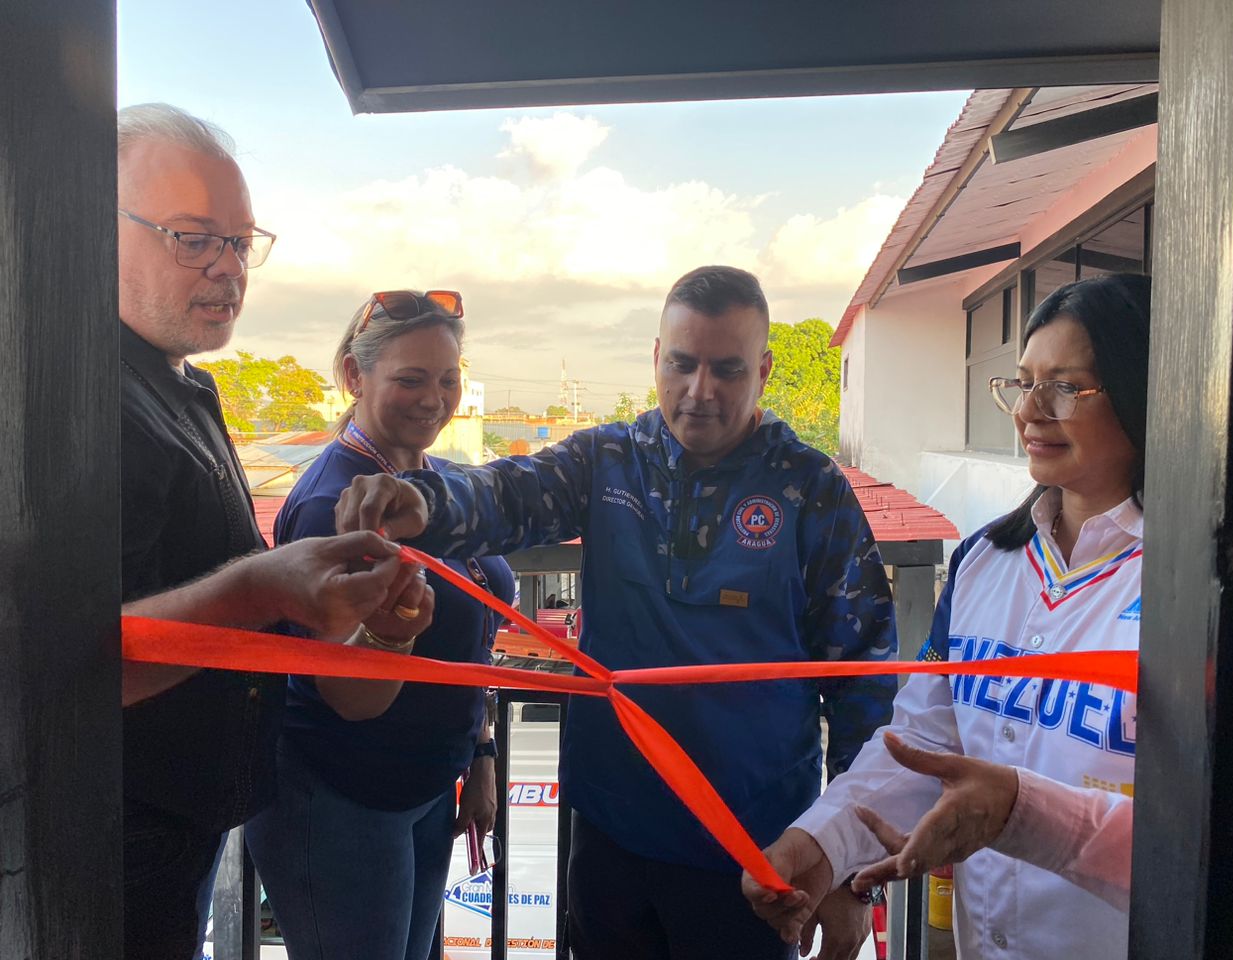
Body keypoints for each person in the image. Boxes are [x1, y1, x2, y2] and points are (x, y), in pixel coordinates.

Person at [333, 265, 898, 960]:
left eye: (727, 369)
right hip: (611, 834)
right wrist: (422, 500)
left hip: (757, 852)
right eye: (682, 364)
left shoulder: (811, 489)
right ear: (657, 358)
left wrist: (850, 870)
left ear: (764, 370)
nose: (700, 391)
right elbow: (507, 494)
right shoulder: (609, 460)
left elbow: (866, 683)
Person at [743, 273, 1151, 960]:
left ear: (1143, 393)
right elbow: (922, 742)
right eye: (1022, 384)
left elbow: (1213, 837)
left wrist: (1022, 814)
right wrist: (821, 844)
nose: (1029, 412)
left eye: (1064, 386)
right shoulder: (983, 562)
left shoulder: (1199, 587)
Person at [117, 104, 431, 959]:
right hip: (108, 844)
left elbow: (217, 595)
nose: (228, 267)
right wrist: (264, 587)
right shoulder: (74, 398)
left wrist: (349, 614)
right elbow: (60, 669)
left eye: (240, 241)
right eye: (193, 238)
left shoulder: (183, 386)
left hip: (185, 824)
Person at [245, 290, 513, 960]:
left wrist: (480, 756)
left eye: (448, 379)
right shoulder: (335, 505)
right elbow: (345, 692)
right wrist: (395, 632)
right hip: (341, 797)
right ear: (354, 377)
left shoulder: (440, 486)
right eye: (411, 379)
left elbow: (470, 642)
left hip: (422, 790)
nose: (434, 399)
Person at [848, 731, 1132, 912]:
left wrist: (1023, 812)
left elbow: (1159, 856)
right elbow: (923, 734)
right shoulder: (949, 648)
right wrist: (832, 855)